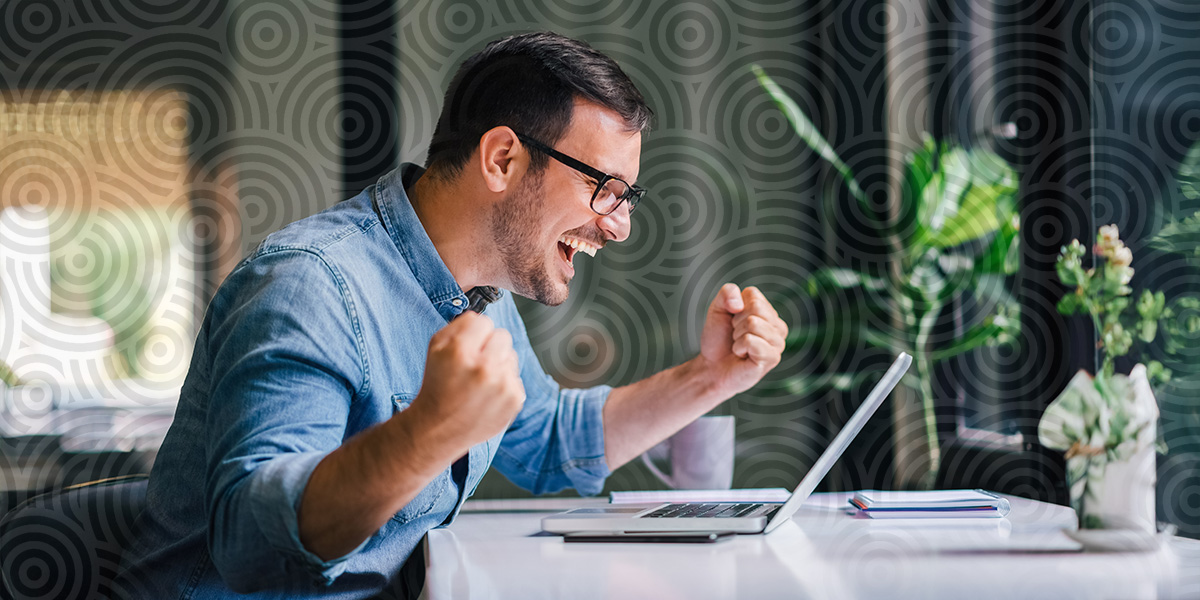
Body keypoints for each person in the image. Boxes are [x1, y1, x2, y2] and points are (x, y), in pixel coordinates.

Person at [116, 31, 788, 599]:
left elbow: (551, 440)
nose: (619, 228)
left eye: (626, 195)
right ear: (502, 159)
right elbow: (248, 544)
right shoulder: (308, 283)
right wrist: (429, 432)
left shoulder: (476, 295)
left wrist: (713, 377)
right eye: (604, 190)